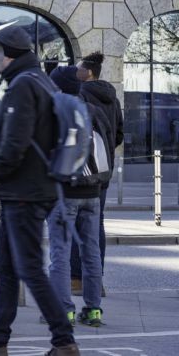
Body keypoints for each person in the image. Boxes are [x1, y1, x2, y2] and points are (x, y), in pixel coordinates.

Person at [0, 26, 79, 356]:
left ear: (7, 54)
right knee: (5, 265)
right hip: (28, 189)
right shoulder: (38, 79)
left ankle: (64, 341)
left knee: (29, 267)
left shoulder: (22, 85)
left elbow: (14, 143)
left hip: (24, 192)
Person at [47, 66, 110, 328]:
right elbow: (110, 140)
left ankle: (65, 311)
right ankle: (93, 309)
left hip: (64, 192)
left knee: (59, 253)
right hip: (93, 191)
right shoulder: (93, 110)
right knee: (91, 250)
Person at [73, 52, 123, 297]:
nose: (76, 71)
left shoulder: (80, 95)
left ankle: (75, 279)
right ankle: (96, 281)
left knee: (73, 223)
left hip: (82, 172)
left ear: (89, 72)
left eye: (79, 68)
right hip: (103, 171)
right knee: (96, 223)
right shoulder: (112, 98)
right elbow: (119, 134)